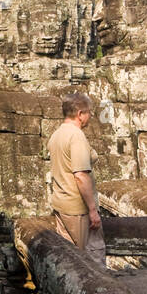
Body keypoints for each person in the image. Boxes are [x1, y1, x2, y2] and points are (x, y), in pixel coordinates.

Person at [47, 92, 104, 255]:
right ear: (80, 114)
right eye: (89, 112)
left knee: (68, 256)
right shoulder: (76, 136)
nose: (91, 116)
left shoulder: (56, 134)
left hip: (61, 204)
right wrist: (92, 209)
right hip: (77, 208)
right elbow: (80, 175)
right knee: (85, 259)